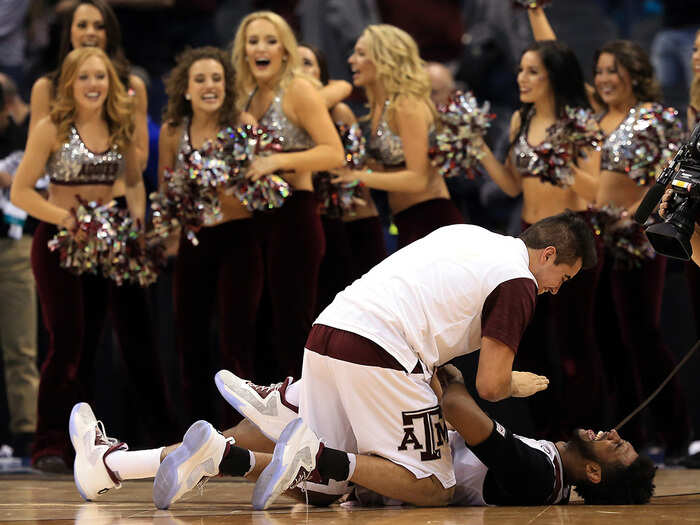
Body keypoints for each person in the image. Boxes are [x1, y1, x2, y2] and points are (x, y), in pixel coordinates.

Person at [218, 211, 596, 509]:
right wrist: (514, 382)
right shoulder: (519, 281)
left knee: (324, 489)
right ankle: (310, 450)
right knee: (434, 487)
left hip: (328, 329)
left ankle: (216, 452)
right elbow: (490, 386)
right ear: (548, 254)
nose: (555, 290)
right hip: (379, 351)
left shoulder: (468, 234)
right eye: (563, 277)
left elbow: (417, 299)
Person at [65, 360, 655, 508]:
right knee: (235, 447)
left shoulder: (539, 475)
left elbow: (459, 411)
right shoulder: (548, 466)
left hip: (386, 473)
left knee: (294, 432)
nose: (611, 431)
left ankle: (287, 407)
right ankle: (112, 467)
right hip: (386, 461)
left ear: (597, 472)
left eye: (616, 444)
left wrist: (445, 361)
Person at [528, 5, 691, 457]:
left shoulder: (657, 118)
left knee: (643, 335)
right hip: (593, 240)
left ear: (634, 73)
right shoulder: (593, 119)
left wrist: (649, 216)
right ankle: (629, 436)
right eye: (598, 70)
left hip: (636, 242)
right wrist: (536, 11)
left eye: (612, 70)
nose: (602, 78)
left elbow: (672, 176)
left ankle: (676, 436)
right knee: (603, 340)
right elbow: (559, 60)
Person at [10, 47, 146, 473]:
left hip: (103, 244)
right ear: (69, 83)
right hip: (57, 244)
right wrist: (65, 220)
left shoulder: (120, 128)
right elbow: (21, 192)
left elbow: (135, 182)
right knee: (65, 340)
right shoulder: (50, 128)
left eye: (100, 77)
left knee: (89, 348)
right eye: (84, 77)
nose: (93, 85)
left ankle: (81, 445)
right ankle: (46, 443)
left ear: (110, 83)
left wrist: (137, 222)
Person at [231, 11, 345, 380]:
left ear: (284, 49)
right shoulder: (247, 96)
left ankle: (306, 422)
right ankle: (267, 425)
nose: (260, 48)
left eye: (269, 40)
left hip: (295, 217)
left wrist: (276, 160)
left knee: (292, 327)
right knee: (258, 326)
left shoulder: (297, 89)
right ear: (243, 50)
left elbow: (333, 152)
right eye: (253, 41)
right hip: (257, 220)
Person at [158, 46, 261, 428]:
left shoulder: (242, 122)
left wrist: (216, 188)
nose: (209, 86)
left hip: (239, 239)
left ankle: (240, 429)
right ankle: (198, 428)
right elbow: (167, 191)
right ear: (186, 89)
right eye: (200, 80)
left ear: (227, 85)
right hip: (194, 242)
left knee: (236, 337)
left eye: (216, 78)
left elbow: (257, 192)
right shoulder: (172, 131)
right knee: (190, 337)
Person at [331, 24, 464, 249]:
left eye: (361, 54)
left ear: (385, 59)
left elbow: (417, 178)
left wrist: (356, 176)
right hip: (405, 220)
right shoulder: (380, 107)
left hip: (432, 219)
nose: (352, 60)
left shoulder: (407, 105)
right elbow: (389, 169)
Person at [298, 43, 386, 312]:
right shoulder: (284, 115)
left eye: (308, 63)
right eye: (294, 64)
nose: (300, 70)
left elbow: (357, 170)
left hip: (355, 224)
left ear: (321, 74)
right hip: (315, 227)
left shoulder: (340, 112)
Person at [0, 81, 38, 460]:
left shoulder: (25, 132)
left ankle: (28, 433)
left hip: (13, 246)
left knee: (21, 347)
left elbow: (17, 180)